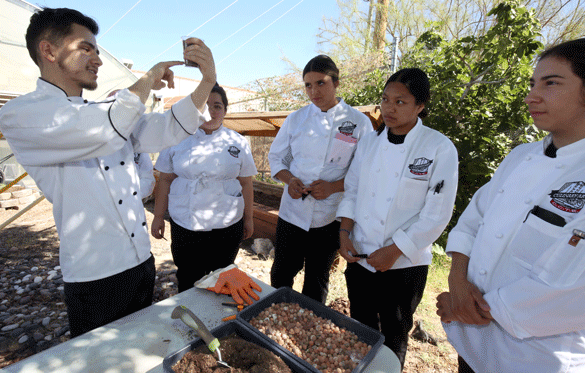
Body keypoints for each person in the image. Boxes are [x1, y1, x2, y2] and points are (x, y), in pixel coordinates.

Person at [0, 7, 217, 337]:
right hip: (95, 275)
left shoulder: (104, 112)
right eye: (85, 48)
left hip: (140, 262)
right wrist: (143, 83)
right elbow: (102, 131)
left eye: (98, 51)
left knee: (139, 352)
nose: (98, 59)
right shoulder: (23, 114)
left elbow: (169, 129)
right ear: (49, 50)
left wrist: (207, 81)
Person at [436, 36, 585, 372]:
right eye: (532, 83)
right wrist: (456, 281)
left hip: (534, 360)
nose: (531, 96)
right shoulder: (521, 155)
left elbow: (578, 290)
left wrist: (462, 307)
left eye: (551, 83)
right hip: (472, 345)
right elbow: (474, 219)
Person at [336, 68, 459, 369]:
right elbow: (352, 189)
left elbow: (437, 212)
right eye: (385, 100)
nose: (389, 108)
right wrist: (344, 231)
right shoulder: (369, 142)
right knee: (361, 324)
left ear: (420, 105)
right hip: (362, 253)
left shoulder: (438, 148)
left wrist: (395, 250)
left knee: (394, 332)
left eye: (400, 102)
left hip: (405, 262)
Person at [268, 55, 373, 303]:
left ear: (336, 83)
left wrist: (334, 187)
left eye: (320, 83)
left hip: (330, 216)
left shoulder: (358, 123)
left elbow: (366, 172)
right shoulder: (296, 119)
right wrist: (290, 180)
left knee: (317, 278)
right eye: (307, 85)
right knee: (282, 272)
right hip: (292, 212)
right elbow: (276, 158)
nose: (313, 91)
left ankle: (309, 327)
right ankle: (275, 316)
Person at [151, 84, 257, 293]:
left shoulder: (238, 142)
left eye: (216, 106)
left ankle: (218, 323)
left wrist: (249, 218)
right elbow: (165, 180)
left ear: (225, 111)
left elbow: (246, 183)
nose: (210, 111)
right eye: (204, 106)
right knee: (189, 278)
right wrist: (157, 216)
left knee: (224, 277)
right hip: (186, 223)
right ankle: (190, 321)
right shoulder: (177, 138)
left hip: (227, 225)